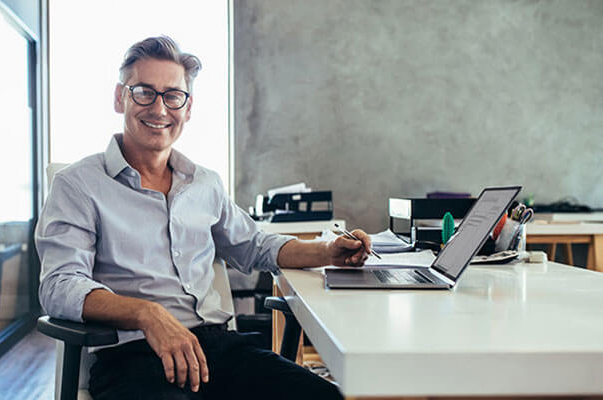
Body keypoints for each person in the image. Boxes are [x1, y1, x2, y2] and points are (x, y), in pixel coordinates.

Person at [35, 36, 371, 400]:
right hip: (133, 358)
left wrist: (328, 251)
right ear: (120, 97)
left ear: (188, 107)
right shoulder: (78, 185)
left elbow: (255, 246)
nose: (160, 109)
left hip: (219, 350)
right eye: (144, 92)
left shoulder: (204, 183)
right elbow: (59, 284)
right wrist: (148, 315)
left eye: (173, 95)